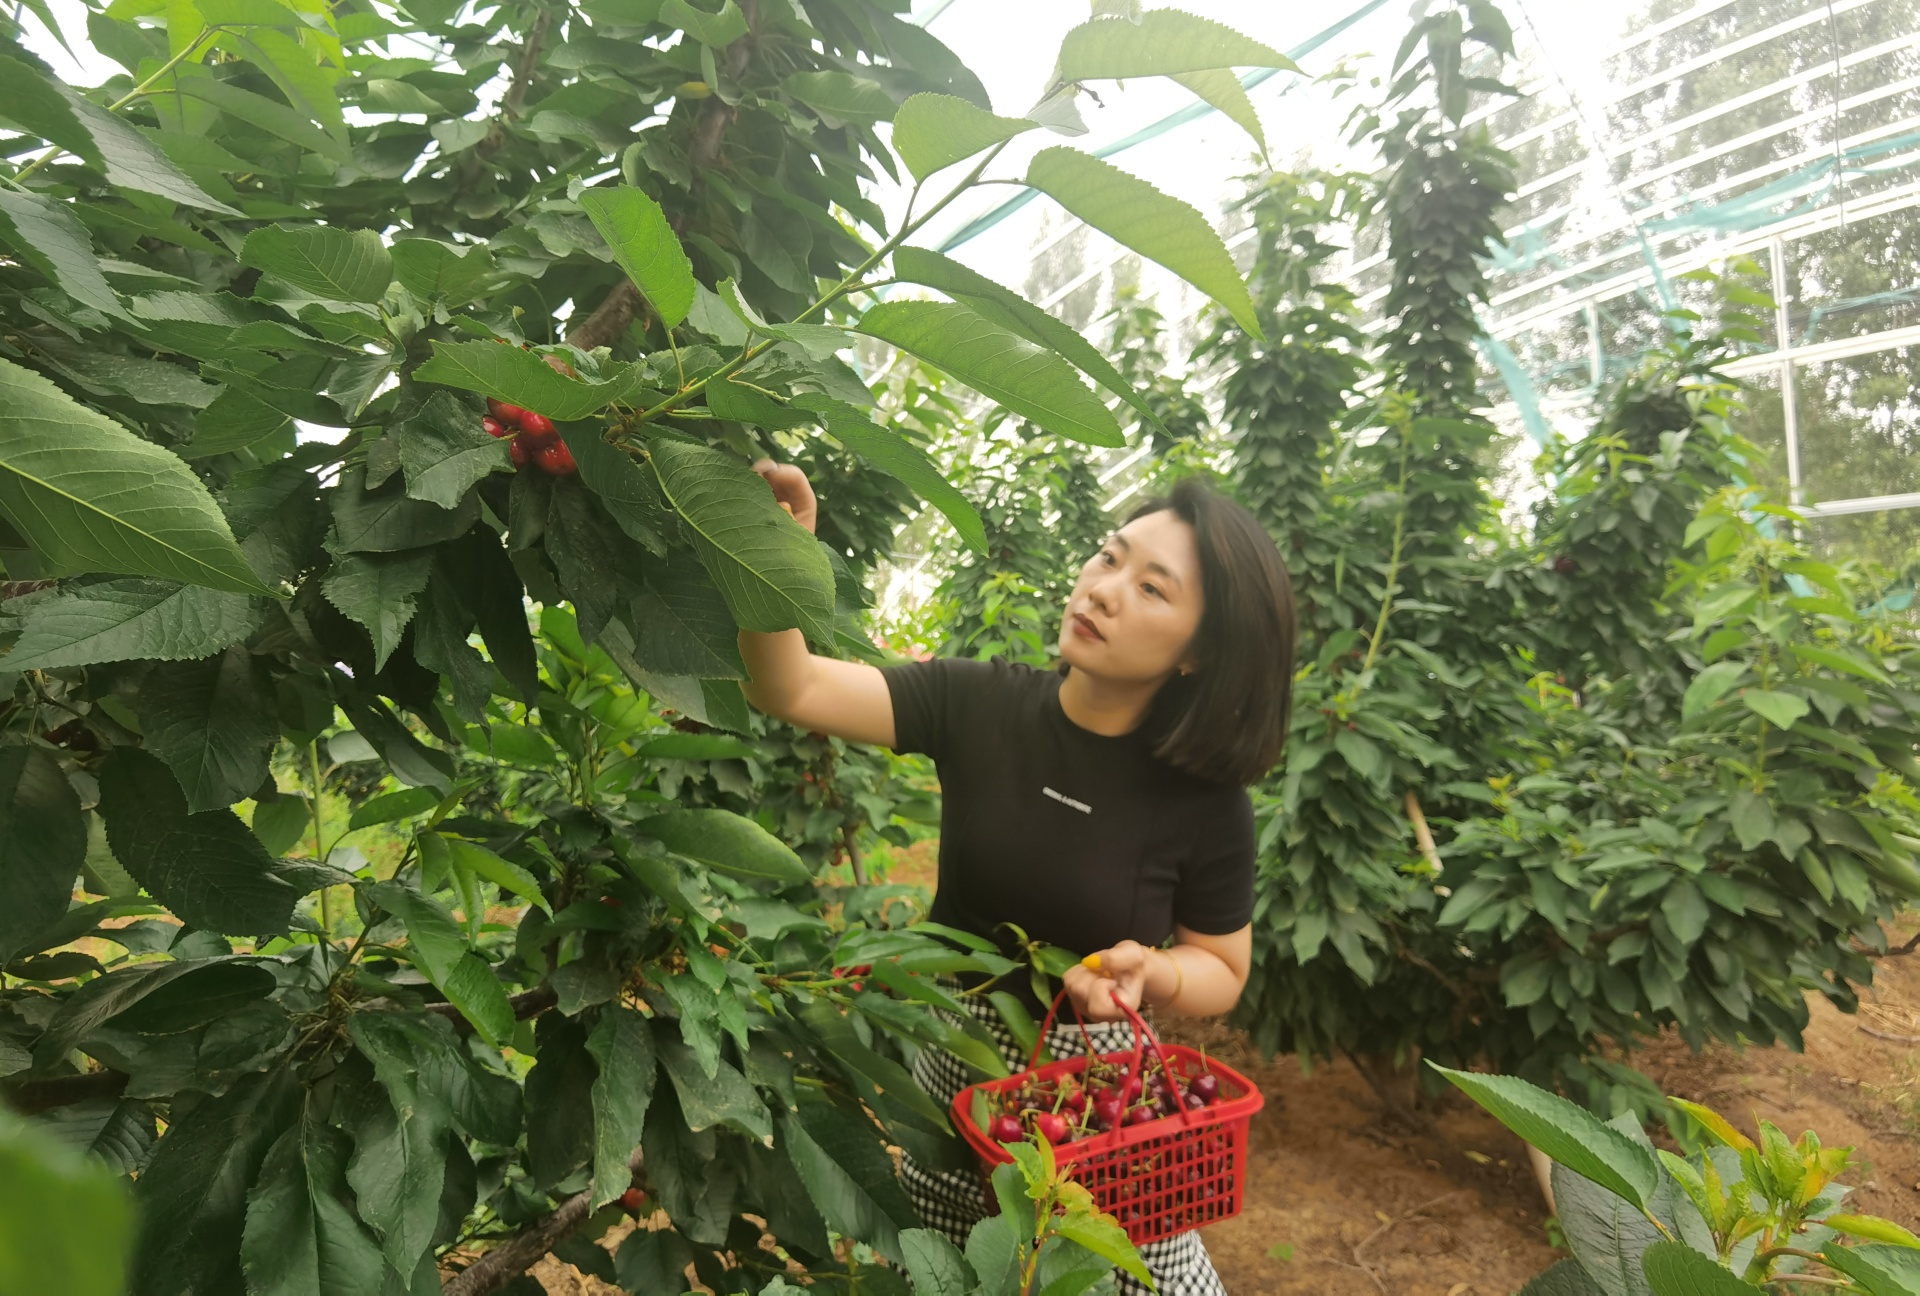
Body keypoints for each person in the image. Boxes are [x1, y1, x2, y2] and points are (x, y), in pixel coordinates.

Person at [742, 459, 1296, 1296]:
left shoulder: (1205, 804)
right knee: (951, 1273)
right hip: (954, 1081)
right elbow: (792, 685)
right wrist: (769, 552)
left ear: (1201, 652)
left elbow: (1221, 965)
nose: (1104, 589)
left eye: (1152, 588)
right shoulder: (977, 704)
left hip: (1092, 1111)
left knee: (1109, 1273)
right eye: (1109, 557)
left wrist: (1153, 973)